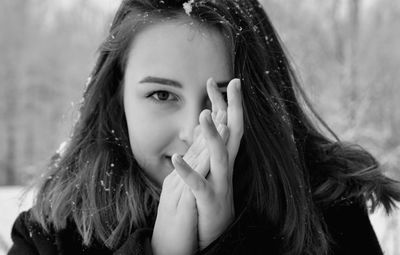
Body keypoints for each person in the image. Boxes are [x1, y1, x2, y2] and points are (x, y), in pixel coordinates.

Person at [8, 0, 400, 254]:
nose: (194, 133)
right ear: (117, 96)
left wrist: (228, 243)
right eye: (162, 95)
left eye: (220, 101)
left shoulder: (327, 212)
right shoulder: (51, 234)